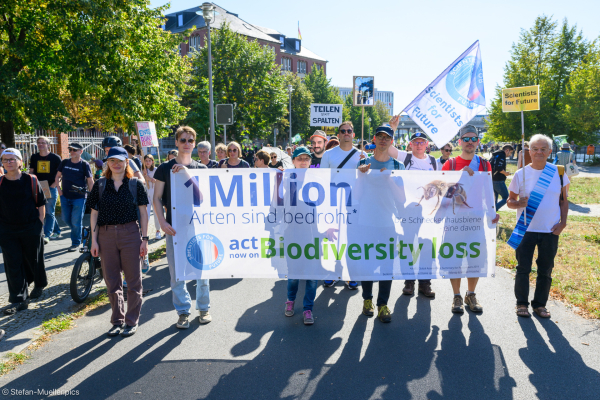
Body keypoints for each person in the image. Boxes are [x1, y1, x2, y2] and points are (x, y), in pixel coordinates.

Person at [153, 126, 212, 328]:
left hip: (199, 226)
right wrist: (162, 222)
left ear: (194, 144)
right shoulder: (164, 168)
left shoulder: (202, 169)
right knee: (177, 271)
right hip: (175, 227)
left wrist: (187, 174)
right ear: (176, 142)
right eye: (183, 140)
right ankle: (183, 311)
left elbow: (201, 199)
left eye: (190, 140)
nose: (187, 144)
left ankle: (203, 308)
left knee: (201, 269)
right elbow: (157, 198)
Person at [88, 147, 149, 337]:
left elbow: (144, 214)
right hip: (105, 236)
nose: (116, 164)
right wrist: (94, 241)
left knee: (133, 281)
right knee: (112, 281)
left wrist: (144, 240)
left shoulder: (136, 184)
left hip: (130, 233)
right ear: (107, 163)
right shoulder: (99, 185)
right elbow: (94, 215)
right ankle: (117, 321)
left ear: (126, 162)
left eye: (119, 160)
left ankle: (131, 321)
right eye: (112, 160)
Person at [507, 134, 569, 319]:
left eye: (543, 149)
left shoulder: (558, 172)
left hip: (550, 230)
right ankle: (521, 304)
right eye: (535, 149)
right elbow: (510, 201)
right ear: (529, 151)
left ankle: (540, 305)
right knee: (523, 268)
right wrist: (518, 204)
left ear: (550, 151)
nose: (539, 152)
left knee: (546, 270)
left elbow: (564, 201)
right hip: (525, 229)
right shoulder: (521, 174)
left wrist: (563, 223)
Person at [442, 124, 499, 313]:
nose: (470, 142)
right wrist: (460, 176)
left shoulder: (484, 164)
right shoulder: (449, 164)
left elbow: (488, 192)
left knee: (475, 257)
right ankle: (457, 296)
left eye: (474, 138)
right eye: (466, 139)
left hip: (476, 220)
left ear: (478, 142)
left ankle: (471, 294)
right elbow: (442, 195)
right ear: (460, 142)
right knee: (455, 258)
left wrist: (492, 212)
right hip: (454, 220)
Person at [356, 125, 406, 323]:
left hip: (388, 222)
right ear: (374, 139)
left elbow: (402, 198)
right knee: (367, 263)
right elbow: (357, 196)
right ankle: (367, 300)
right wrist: (360, 176)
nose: (383, 140)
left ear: (392, 141)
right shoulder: (364, 163)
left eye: (387, 137)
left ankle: (383, 304)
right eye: (380, 137)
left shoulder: (398, 166)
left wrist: (390, 180)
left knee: (386, 265)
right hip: (365, 222)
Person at [388, 117, 440, 298]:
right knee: (407, 245)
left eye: (422, 142)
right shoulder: (406, 157)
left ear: (427, 144)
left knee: (427, 246)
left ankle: (425, 283)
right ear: (410, 144)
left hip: (428, 212)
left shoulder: (434, 162)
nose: (419, 145)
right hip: (409, 209)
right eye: (415, 142)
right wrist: (392, 129)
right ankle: (409, 281)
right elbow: (388, 148)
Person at [0, 148, 47, 315]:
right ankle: (19, 299)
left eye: (12, 159)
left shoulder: (31, 180)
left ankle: (39, 282)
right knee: (13, 264)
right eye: (5, 160)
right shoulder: (0, 182)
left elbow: (41, 203)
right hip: (7, 230)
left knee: (33, 259)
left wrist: (39, 225)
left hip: (30, 227)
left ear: (20, 162)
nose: (9, 162)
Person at [320, 120, 361, 290]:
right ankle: (332, 272)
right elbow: (321, 179)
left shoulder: (361, 155)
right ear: (338, 134)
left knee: (350, 238)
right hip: (332, 202)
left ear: (353, 134)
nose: (346, 133)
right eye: (343, 131)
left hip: (353, 203)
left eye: (349, 131)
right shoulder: (328, 154)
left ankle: (350, 273)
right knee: (333, 239)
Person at [284, 146, 320, 325]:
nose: (304, 161)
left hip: (313, 234)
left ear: (310, 162)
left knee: (312, 275)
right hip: (293, 233)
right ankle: (290, 301)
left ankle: (308, 309)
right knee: (294, 273)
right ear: (294, 161)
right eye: (300, 158)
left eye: (307, 158)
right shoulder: (285, 179)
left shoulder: (319, 179)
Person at [55, 143, 93, 252]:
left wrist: (94, 195)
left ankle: (75, 243)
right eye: (70, 149)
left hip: (79, 197)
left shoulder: (84, 164)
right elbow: (57, 176)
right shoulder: (64, 162)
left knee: (76, 221)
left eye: (74, 150)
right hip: (65, 196)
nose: (72, 152)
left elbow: (90, 181)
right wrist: (59, 190)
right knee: (65, 219)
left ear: (81, 151)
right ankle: (83, 232)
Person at [29, 136, 62, 242]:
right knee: (46, 211)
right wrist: (31, 183)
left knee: (49, 211)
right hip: (38, 187)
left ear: (48, 145)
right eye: (39, 142)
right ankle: (56, 230)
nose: (41, 144)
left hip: (50, 187)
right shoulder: (34, 157)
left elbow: (60, 174)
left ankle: (46, 235)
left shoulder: (55, 158)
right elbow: (31, 171)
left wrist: (54, 185)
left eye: (43, 142)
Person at [142, 154, 162, 240]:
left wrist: (149, 178)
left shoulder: (156, 170)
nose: (147, 162)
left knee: (156, 212)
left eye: (149, 160)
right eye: (146, 161)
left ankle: (158, 230)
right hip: (146, 193)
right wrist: (144, 177)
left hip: (154, 192)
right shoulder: (143, 170)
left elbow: (158, 181)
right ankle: (144, 232)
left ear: (152, 161)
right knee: (145, 213)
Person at [491, 145, 514, 211]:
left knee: (495, 199)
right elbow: (499, 168)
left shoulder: (496, 154)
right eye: (510, 152)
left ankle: (493, 217)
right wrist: (506, 173)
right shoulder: (502, 155)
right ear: (507, 150)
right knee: (506, 197)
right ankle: (494, 210)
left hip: (492, 179)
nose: (510, 154)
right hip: (498, 180)